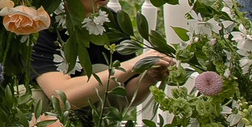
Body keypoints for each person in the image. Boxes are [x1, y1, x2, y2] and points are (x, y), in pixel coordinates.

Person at [28, 29, 177, 110]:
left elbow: (121, 97)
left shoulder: (111, 22)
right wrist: (131, 66)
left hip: (96, 126)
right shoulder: (43, 27)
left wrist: (147, 78)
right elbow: (62, 97)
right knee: (37, 97)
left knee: (106, 78)